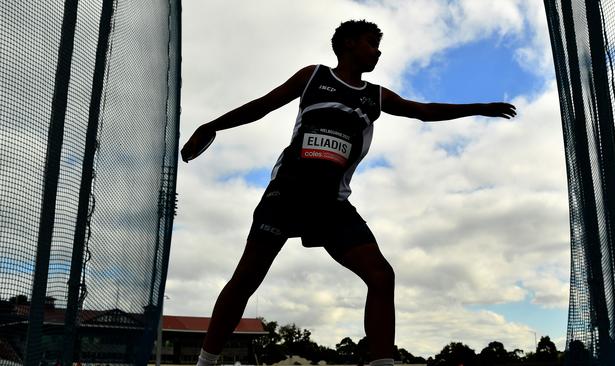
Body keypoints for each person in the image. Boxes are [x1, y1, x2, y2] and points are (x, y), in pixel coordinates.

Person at [182, 20, 516, 366]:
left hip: (332, 204)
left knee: (382, 276)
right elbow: (263, 105)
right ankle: (206, 362)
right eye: (372, 43)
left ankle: (383, 363)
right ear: (348, 44)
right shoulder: (313, 76)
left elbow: (423, 111)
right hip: (288, 193)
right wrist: (212, 126)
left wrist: (479, 107)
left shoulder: (376, 96)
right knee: (246, 279)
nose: (378, 51)